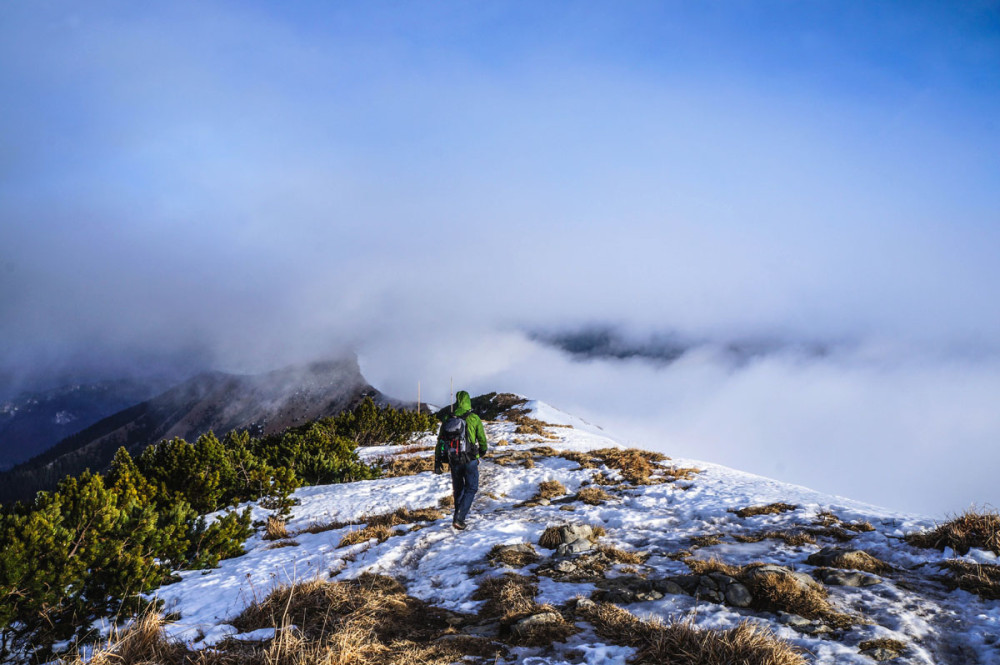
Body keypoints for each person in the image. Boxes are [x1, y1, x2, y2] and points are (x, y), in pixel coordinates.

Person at [434, 390, 488, 529]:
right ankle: (459, 518)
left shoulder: (448, 419)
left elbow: (440, 441)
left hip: (454, 460)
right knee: (471, 488)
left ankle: (457, 518)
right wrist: (481, 452)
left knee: (458, 489)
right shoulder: (474, 418)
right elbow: (481, 438)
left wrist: (438, 461)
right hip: (470, 459)